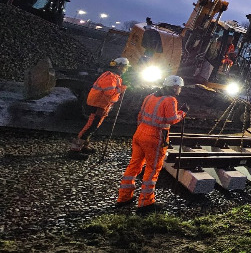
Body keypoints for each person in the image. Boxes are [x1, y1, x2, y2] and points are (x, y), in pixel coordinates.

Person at [117, 75, 187, 212]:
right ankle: (146, 203)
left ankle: (124, 197)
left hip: (139, 134)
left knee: (134, 165)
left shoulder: (149, 96)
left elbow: (140, 115)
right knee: (152, 169)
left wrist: (141, 130)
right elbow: (172, 119)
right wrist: (182, 113)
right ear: (174, 87)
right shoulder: (170, 100)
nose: (179, 90)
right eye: (179, 87)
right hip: (155, 138)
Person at [69, 57, 129, 156]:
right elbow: (110, 93)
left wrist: (122, 87)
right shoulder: (110, 77)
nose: (125, 69)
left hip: (101, 105)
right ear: (119, 67)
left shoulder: (115, 76)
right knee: (90, 126)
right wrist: (121, 89)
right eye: (125, 67)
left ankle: (84, 145)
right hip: (97, 104)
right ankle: (75, 148)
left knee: (93, 126)